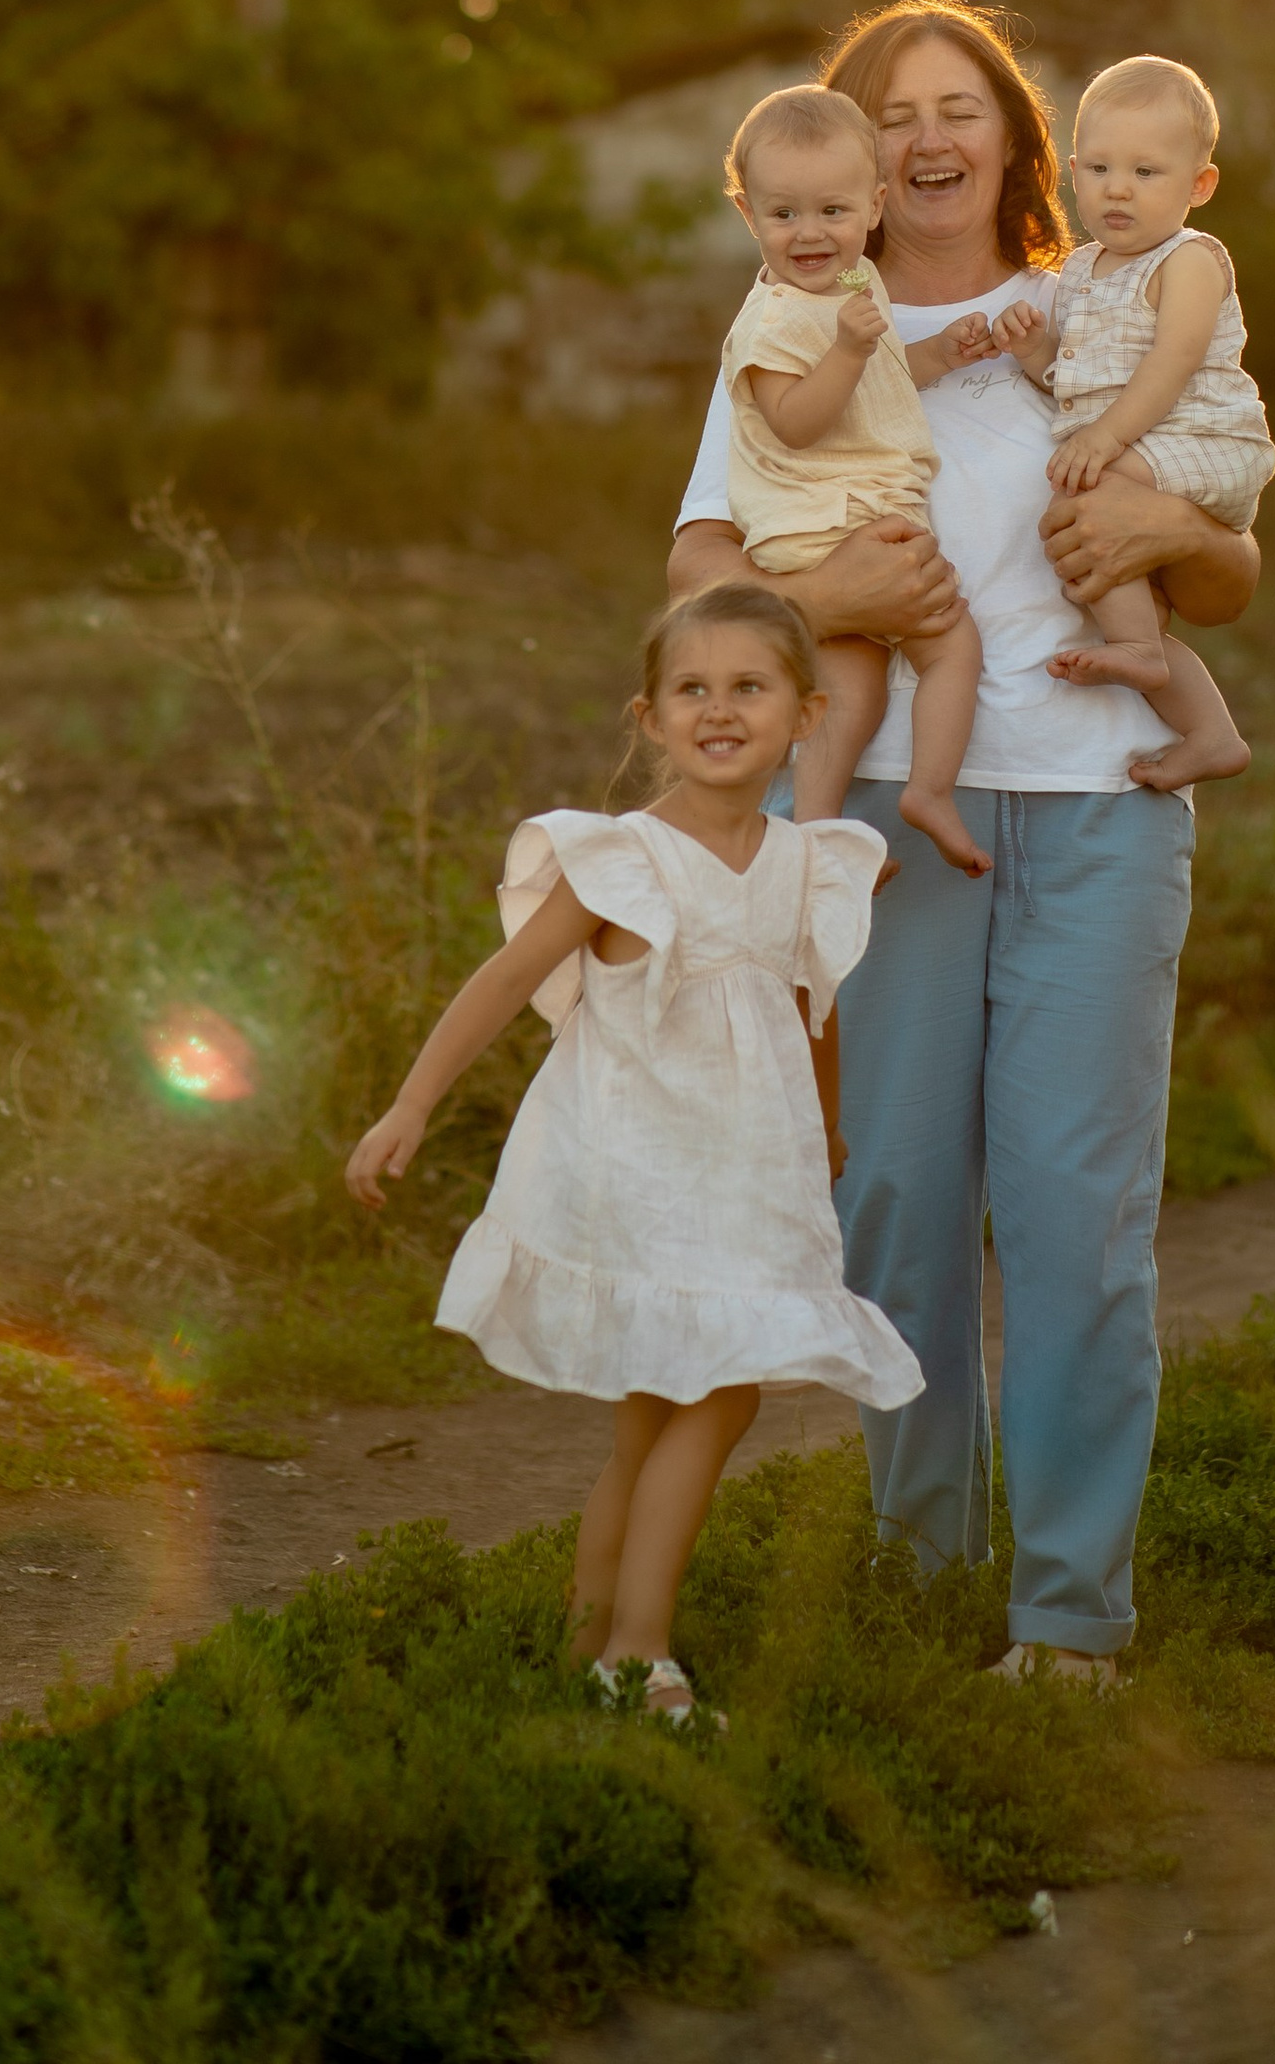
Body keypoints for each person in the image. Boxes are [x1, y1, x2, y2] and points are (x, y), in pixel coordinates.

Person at [667, 0, 1260, 1685]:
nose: (928, 141)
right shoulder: (795, 327)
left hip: (1100, 805)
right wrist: (822, 594)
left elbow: (1227, 569)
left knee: (1078, 1219)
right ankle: (923, 1573)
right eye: (891, 115)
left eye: (959, 110)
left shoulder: (1099, 303)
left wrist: (1179, 535)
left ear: (1013, 135)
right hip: (876, 821)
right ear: (843, 161)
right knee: (901, 1204)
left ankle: (1070, 1618)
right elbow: (701, 582)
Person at [344, 580, 920, 1726]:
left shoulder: (806, 862)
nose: (718, 709)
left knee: (660, 1411)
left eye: (747, 688)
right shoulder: (622, 860)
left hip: (751, 1167)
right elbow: (504, 982)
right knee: (718, 1400)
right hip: (641, 1166)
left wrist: (832, 1121)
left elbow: (815, 1003)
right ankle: (639, 1653)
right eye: (690, 689)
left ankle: (585, 1643)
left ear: (804, 715)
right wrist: (407, 1105)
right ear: (648, 718)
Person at [720, 81, 993, 879]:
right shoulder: (772, 320)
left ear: (874, 207)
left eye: (833, 212)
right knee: (953, 645)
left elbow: (877, 382)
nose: (810, 234)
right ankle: (931, 790)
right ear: (748, 215)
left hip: (845, 514)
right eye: (784, 214)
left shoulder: (850, 285)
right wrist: (842, 349)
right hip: (825, 522)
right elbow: (798, 419)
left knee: (852, 682)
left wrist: (940, 355)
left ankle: (813, 832)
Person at [994, 52, 1274, 795]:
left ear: (1199, 185)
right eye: (1101, 170)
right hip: (1141, 444)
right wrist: (1036, 353)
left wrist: (1107, 440)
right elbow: (1081, 387)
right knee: (1130, 598)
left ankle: (1138, 653)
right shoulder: (1083, 271)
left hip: (1203, 440)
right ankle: (1210, 732)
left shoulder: (1189, 260)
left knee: (1090, 502)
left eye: (1148, 173)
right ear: (1074, 172)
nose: (1119, 189)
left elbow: (1173, 363)